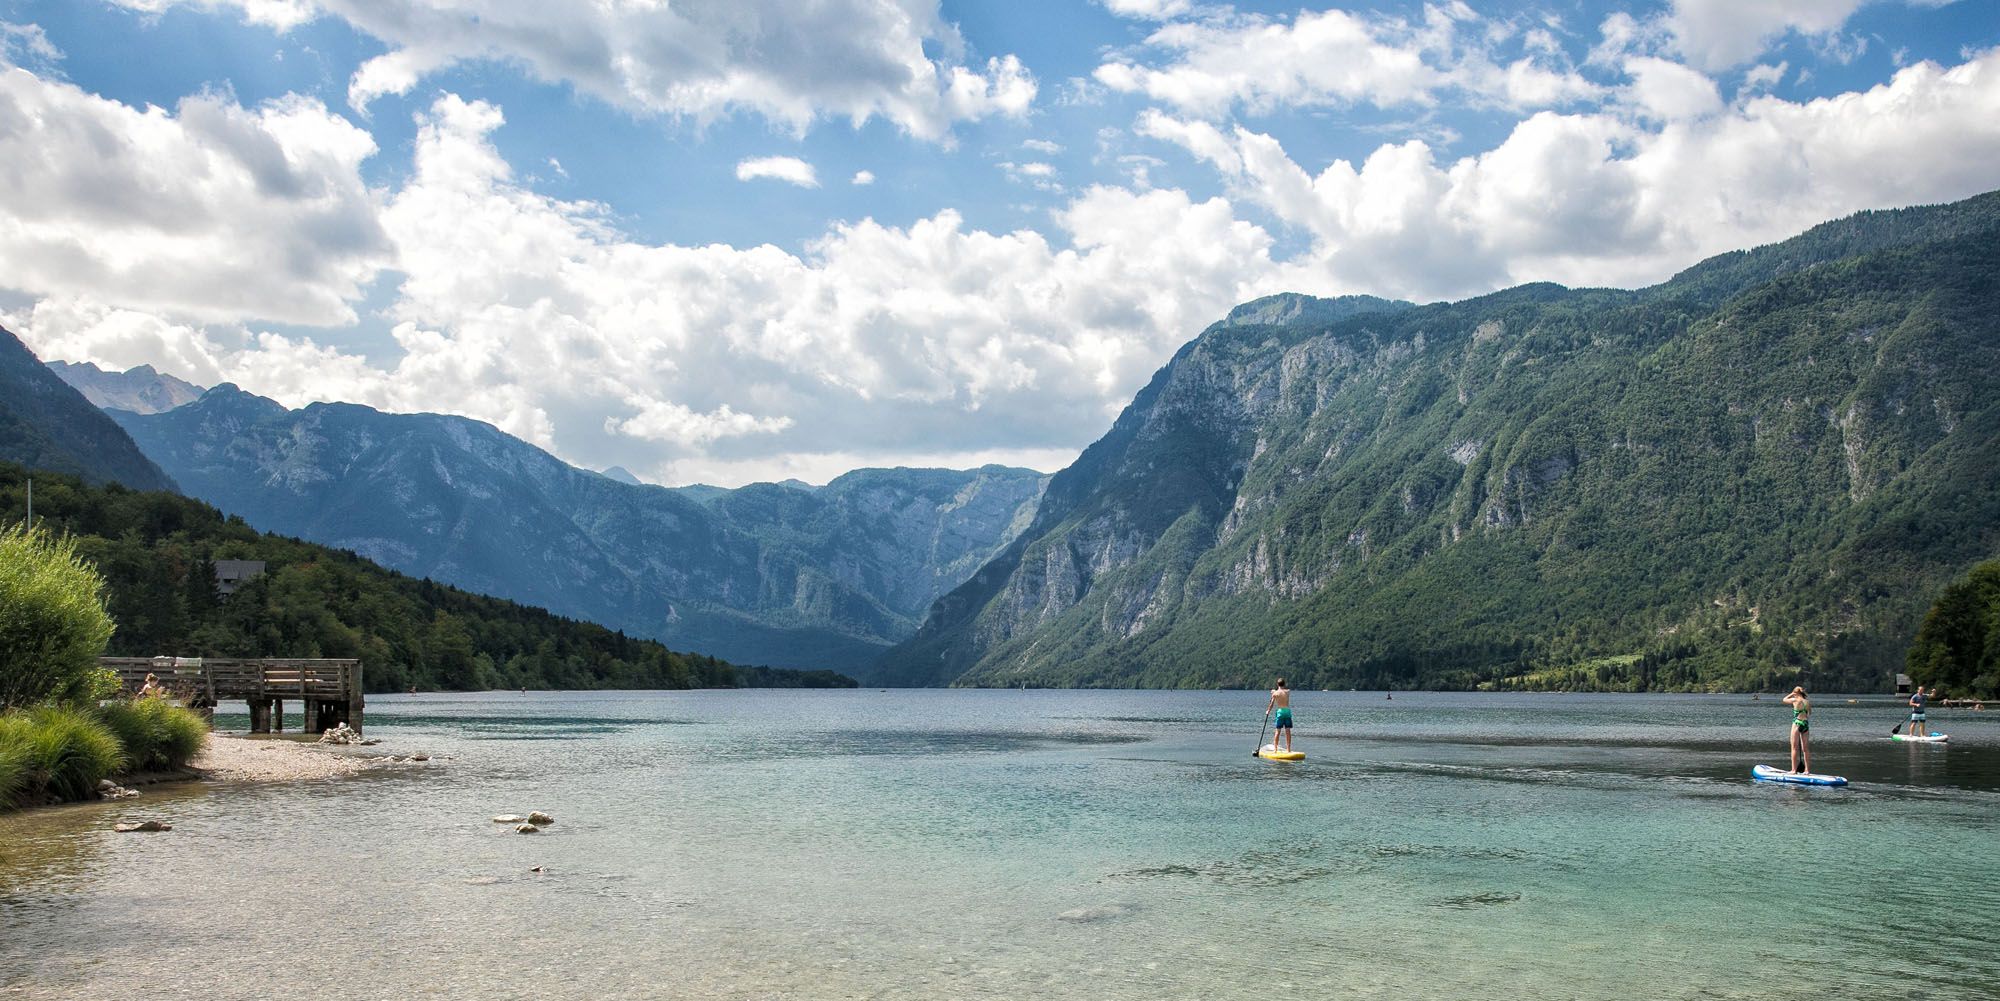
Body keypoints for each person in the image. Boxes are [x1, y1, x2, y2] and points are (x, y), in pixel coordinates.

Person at [1782, 686, 1812, 773]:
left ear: (1796, 693)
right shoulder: (1807, 702)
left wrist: (1792, 694)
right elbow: (1809, 713)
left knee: (1794, 748)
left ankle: (1794, 770)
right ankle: (1807, 770)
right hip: (1805, 723)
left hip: (1797, 723)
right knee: (1806, 749)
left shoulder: (1795, 700)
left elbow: (1784, 699)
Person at [1267, 678, 1294, 753]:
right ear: (1284, 684)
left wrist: (1268, 711)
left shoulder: (1275, 694)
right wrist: (1274, 692)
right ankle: (1288, 749)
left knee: (1278, 731)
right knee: (1288, 731)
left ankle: (1275, 749)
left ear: (1277, 684)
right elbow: (1284, 691)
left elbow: (1271, 704)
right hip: (1287, 712)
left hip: (1280, 713)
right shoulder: (1288, 692)